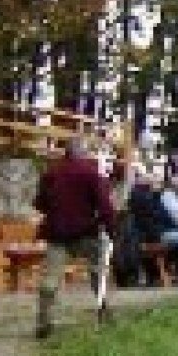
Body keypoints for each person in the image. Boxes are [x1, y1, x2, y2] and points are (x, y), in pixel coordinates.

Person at [33, 136, 117, 338]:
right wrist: (111, 228)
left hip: (57, 232)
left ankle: (44, 320)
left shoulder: (51, 173)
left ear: (66, 152)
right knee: (98, 270)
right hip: (86, 232)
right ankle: (103, 309)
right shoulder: (92, 174)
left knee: (50, 279)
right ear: (83, 153)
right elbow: (105, 206)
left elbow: (39, 203)